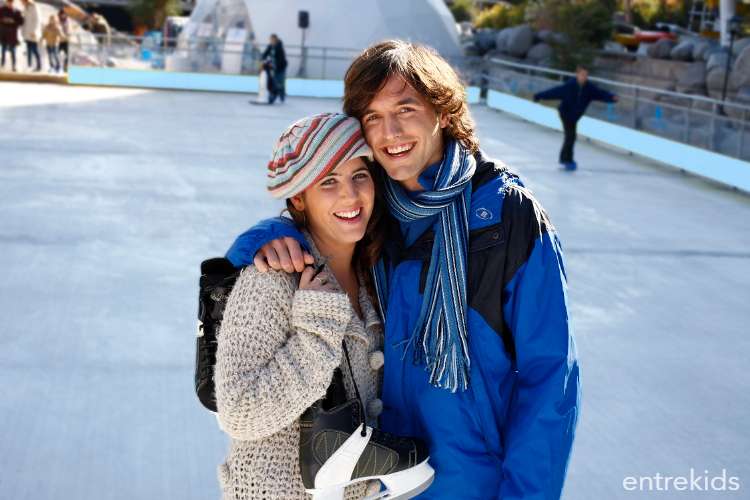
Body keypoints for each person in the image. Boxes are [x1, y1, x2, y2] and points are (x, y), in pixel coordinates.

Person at [224, 40, 581, 499]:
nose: (390, 132)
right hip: (383, 481)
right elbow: (314, 217)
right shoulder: (376, 213)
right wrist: (265, 237)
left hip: (469, 482)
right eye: (372, 116)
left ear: (443, 113)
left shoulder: (505, 216)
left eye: (405, 109)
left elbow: (550, 377)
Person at [214, 112, 432, 499]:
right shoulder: (271, 278)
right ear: (299, 198)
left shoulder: (372, 275)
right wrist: (317, 331)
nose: (350, 195)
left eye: (359, 176)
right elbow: (239, 412)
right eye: (328, 181)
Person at [534, 65, 618, 171]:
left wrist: (611, 97)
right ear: (577, 75)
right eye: (582, 75)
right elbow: (554, 92)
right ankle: (567, 160)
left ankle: (565, 159)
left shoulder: (589, 88)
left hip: (574, 116)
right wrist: (539, 96)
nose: (584, 77)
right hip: (565, 113)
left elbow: (600, 94)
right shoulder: (569, 86)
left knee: (570, 137)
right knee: (570, 136)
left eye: (586, 75)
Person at [261, 33, 287, 103]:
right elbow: (265, 54)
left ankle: (282, 94)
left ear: (275, 39)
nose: (271, 41)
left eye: (272, 40)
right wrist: (263, 59)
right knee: (274, 82)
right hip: (274, 67)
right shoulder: (270, 46)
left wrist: (275, 66)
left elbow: (281, 59)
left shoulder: (279, 47)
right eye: (270, 40)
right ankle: (273, 96)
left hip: (281, 67)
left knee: (280, 82)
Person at [0, 0, 23, 72]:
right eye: (8, 2)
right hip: (3, 33)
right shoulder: (2, 10)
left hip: (12, 34)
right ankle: (2, 65)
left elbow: (21, 21)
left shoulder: (17, 11)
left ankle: (14, 66)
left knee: (13, 51)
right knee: (3, 50)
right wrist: (3, 20)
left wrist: (13, 21)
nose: (10, 3)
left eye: (11, 2)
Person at [20, 0, 40, 71]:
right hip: (27, 33)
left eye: (22, 1)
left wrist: (34, 31)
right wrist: (22, 32)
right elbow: (24, 21)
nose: (21, 3)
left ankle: (39, 66)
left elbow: (37, 20)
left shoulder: (34, 7)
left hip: (33, 33)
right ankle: (29, 66)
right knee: (28, 50)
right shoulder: (25, 8)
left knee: (34, 50)